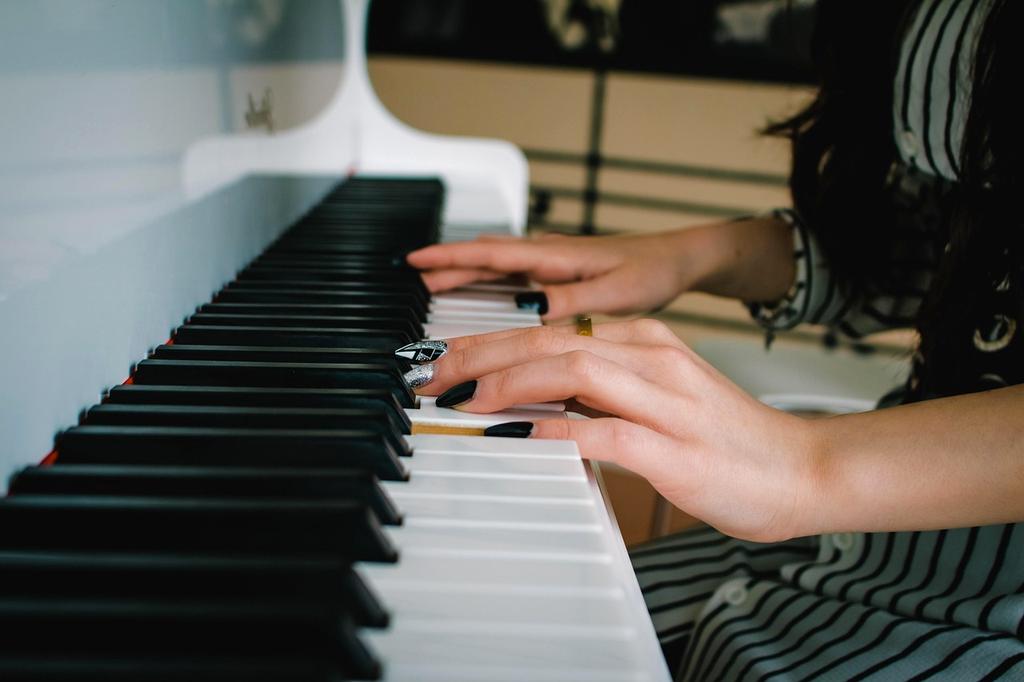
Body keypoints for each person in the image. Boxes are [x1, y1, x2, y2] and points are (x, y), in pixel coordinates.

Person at [399, 0, 1024, 678]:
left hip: (973, 615)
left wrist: (804, 466)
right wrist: (693, 254)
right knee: (475, 631)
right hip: (854, 546)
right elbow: (933, 254)